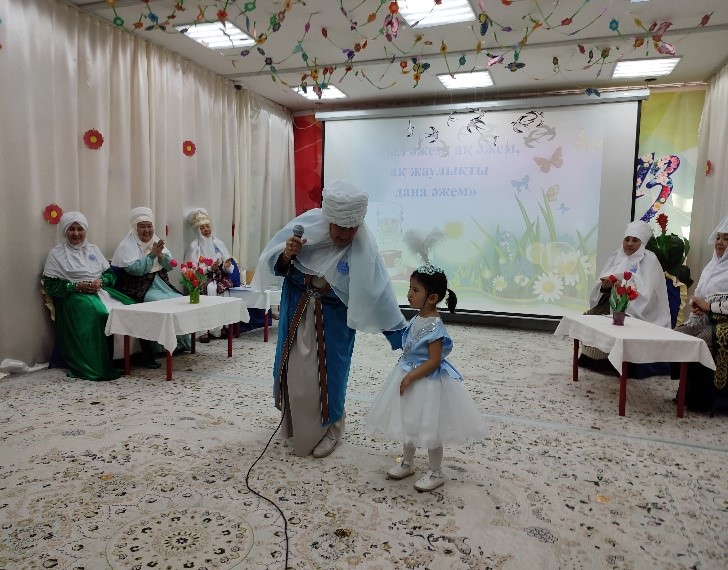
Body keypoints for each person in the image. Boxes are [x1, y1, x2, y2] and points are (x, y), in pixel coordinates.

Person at [252, 180, 406, 458]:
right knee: (295, 375)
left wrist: (401, 336)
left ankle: (333, 429)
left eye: (351, 228)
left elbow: (380, 293)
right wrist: (288, 254)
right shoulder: (306, 229)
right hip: (297, 317)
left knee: (329, 379)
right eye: (339, 227)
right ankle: (294, 425)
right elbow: (277, 266)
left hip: (332, 325)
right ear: (329, 220)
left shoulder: (363, 248)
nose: (344, 235)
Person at [365, 265, 487, 491]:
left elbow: (434, 361)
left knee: (432, 427)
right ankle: (408, 462)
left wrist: (411, 377)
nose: (409, 294)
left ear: (432, 298)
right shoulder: (418, 318)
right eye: (410, 288)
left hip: (426, 382)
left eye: (415, 290)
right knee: (408, 420)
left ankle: (435, 471)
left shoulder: (435, 327)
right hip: (408, 373)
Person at [42, 211, 135, 380]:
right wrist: (76, 286)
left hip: (99, 290)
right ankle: (97, 366)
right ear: (64, 231)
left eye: (80, 229)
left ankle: (127, 359)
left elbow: (110, 275)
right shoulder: (56, 254)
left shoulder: (93, 249)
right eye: (71, 229)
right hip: (73, 297)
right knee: (99, 313)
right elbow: (50, 285)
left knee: (130, 307)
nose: (76, 233)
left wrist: (102, 281)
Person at [579, 220, 671, 372]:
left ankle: (609, 363)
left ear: (642, 243)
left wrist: (621, 285)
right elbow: (602, 284)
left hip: (635, 307)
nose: (629, 244)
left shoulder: (650, 260)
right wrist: (605, 285)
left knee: (613, 323)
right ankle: (592, 359)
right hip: (611, 301)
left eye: (635, 240)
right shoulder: (617, 256)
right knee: (590, 318)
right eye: (627, 239)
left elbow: (646, 293)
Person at [111, 207, 190, 354]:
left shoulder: (156, 242)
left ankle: (179, 344)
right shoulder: (126, 246)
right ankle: (162, 348)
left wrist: (161, 256)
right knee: (159, 303)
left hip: (159, 283)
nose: (147, 230)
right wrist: (152, 255)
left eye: (149, 226)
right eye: (142, 226)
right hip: (138, 287)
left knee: (178, 300)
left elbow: (170, 265)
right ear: (135, 228)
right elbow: (136, 270)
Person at [673, 216, 728, 412]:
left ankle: (702, 399)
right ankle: (685, 393)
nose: (720, 242)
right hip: (707, 318)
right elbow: (700, 294)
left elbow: (712, 303)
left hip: (723, 323)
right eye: (718, 238)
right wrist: (696, 305)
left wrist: (709, 307)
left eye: (726, 239)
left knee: (702, 341)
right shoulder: (712, 265)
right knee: (678, 334)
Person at [183, 208, 240, 342]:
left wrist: (226, 266)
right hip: (203, 279)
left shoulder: (218, 243)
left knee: (224, 290)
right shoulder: (194, 247)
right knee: (211, 289)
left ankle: (221, 327)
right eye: (202, 228)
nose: (206, 230)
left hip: (219, 277)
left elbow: (228, 267)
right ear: (197, 230)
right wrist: (209, 268)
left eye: (207, 226)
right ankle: (205, 330)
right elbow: (191, 271)